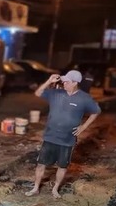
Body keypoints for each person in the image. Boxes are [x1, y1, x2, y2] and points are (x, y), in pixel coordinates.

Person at [25, 70, 101, 199]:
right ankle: (36, 188)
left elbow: (96, 111)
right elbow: (38, 93)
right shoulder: (56, 93)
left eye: (67, 82)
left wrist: (83, 127)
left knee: (62, 166)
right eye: (64, 81)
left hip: (67, 139)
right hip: (50, 136)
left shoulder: (84, 98)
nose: (64, 83)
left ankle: (55, 189)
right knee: (41, 164)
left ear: (75, 83)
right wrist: (49, 81)